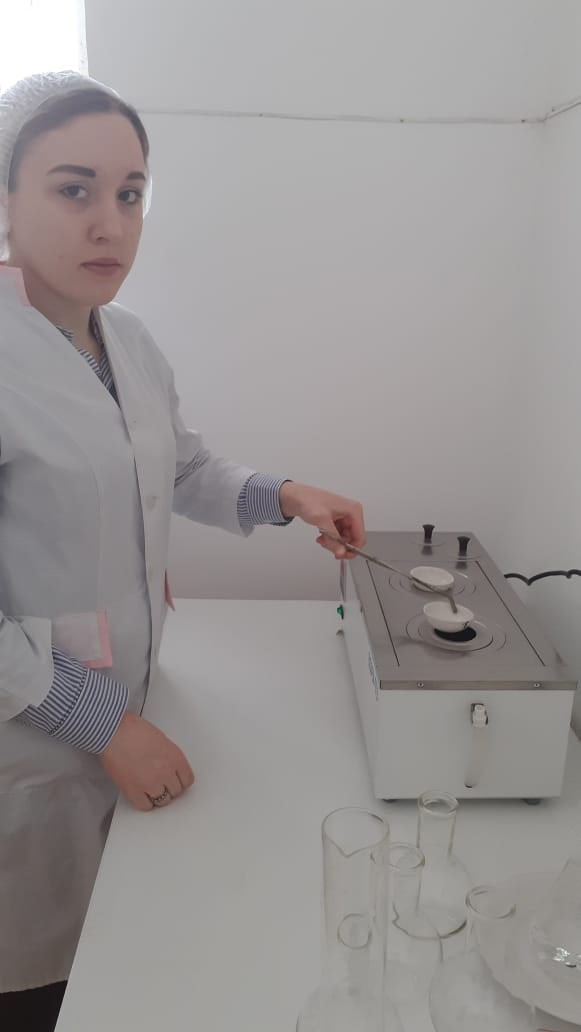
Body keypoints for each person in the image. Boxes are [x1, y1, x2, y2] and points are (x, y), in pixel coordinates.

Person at [0, 70, 366, 1030]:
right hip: (28, 746)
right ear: (5, 197)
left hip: (139, 703)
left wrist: (285, 494)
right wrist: (106, 726)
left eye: (130, 194)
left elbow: (181, 466)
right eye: (73, 190)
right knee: (40, 984)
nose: (109, 224)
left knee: (127, 958)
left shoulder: (126, 341)